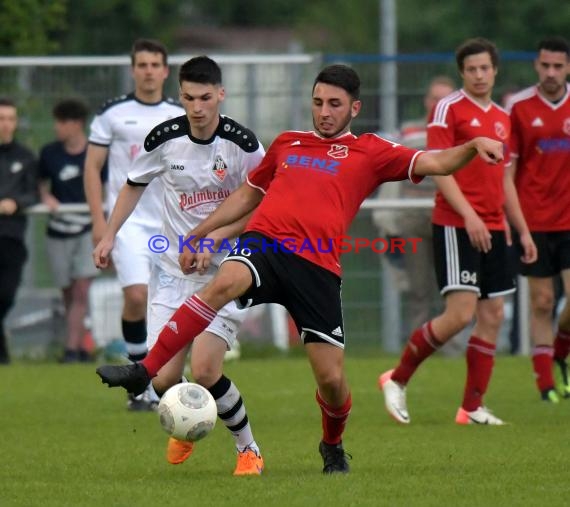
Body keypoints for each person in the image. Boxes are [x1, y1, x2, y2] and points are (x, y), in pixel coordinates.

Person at [95, 63, 505, 474]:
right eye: (317, 102)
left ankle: (332, 444)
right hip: (265, 244)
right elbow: (248, 194)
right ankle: (144, 370)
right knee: (226, 281)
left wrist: (472, 146)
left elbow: (437, 163)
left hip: (316, 266)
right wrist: (203, 232)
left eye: (334, 104)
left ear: (354, 108)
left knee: (331, 380)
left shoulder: (371, 151)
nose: (324, 111)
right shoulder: (288, 143)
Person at [93, 56, 266, 475]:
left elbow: (263, 203)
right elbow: (132, 185)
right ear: (181, 96)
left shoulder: (243, 145)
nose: (198, 107)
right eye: (189, 98)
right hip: (172, 274)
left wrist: (215, 238)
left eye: (206, 97)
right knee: (163, 381)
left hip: (225, 274)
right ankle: (190, 421)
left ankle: (249, 450)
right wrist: (110, 233)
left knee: (206, 369)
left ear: (220, 95)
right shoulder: (165, 137)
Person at [379, 38, 537, 425]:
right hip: (456, 224)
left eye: (485, 68)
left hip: (495, 227)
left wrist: (523, 229)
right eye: (472, 69)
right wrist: (469, 216)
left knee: (494, 314)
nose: (479, 75)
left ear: (495, 70)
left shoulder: (504, 117)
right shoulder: (447, 109)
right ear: (462, 73)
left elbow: (506, 179)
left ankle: (471, 407)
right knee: (458, 315)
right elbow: (436, 166)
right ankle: (396, 379)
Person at [84, 39, 184, 410]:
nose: (147, 70)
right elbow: (92, 168)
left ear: (165, 70)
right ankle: (138, 379)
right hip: (126, 223)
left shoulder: (179, 114)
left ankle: (159, 378)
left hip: (169, 225)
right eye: (141, 64)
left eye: (154, 64)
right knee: (137, 296)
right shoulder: (113, 113)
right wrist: (100, 222)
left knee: (166, 304)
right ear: (132, 69)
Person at [506, 36, 570, 402]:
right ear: (536, 65)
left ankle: (560, 353)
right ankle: (546, 385)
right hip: (535, 222)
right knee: (542, 302)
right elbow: (508, 173)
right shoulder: (518, 107)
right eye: (544, 65)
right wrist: (517, 225)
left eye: (557, 66)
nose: (550, 72)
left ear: (567, 67)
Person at [373, 76, 456, 339]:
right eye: (434, 98)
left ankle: (453, 349)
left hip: (449, 217)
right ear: (426, 100)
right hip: (413, 218)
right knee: (418, 289)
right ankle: (418, 347)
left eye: (444, 99)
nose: (437, 104)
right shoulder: (408, 131)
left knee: (452, 288)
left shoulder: (460, 132)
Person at [39, 99, 101, 363]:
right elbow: (40, 183)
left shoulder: (95, 153)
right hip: (58, 231)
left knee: (81, 290)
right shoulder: (49, 153)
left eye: (61, 122)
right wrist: (46, 198)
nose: (57, 127)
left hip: (86, 229)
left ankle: (71, 349)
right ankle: (80, 345)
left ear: (75, 124)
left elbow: (106, 184)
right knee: (67, 292)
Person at [0, 98, 38, 364]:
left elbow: (33, 192)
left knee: (6, 295)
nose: (5, 124)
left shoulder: (25, 156)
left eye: (10, 118)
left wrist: (17, 203)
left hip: (12, 236)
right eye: (1, 118)